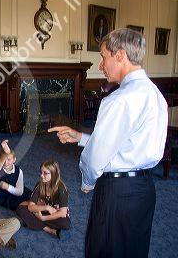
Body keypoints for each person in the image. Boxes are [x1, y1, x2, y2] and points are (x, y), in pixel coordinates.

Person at [49, 28, 168, 258]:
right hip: (144, 190)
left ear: (120, 55)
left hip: (117, 193)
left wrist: (87, 181)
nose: (100, 65)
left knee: (102, 251)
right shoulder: (155, 94)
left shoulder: (119, 100)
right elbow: (129, 143)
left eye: (103, 57)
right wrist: (81, 137)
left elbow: (96, 160)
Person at [16, 160, 70, 238]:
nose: (41, 175)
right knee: (20, 209)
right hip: (41, 210)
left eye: (45, 173)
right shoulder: (39, 185)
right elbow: (31, 207)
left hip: (54, 213)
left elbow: (62, 213)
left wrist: (44, 218)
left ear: (54, 174)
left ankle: (32, 222)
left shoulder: (62, 189)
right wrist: (46, 207)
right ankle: (48, 229)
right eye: (41, 172)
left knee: (65, 223)